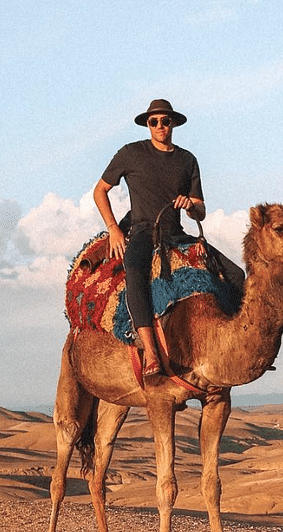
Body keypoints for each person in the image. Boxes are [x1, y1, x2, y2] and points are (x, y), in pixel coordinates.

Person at [93, 99, 242, 377]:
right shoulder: (131, 153)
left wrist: (191, 205)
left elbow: (201, 211)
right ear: (147, 124)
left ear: (173, 123)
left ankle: (234, 346)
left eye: (165, 121)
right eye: (154, 121)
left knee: (236, 274)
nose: (160, 126)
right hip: (142, 232)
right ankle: (150, 352)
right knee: (135, 273)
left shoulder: (188, 160)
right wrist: (113, 228)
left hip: (177, 235)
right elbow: (100, 191)